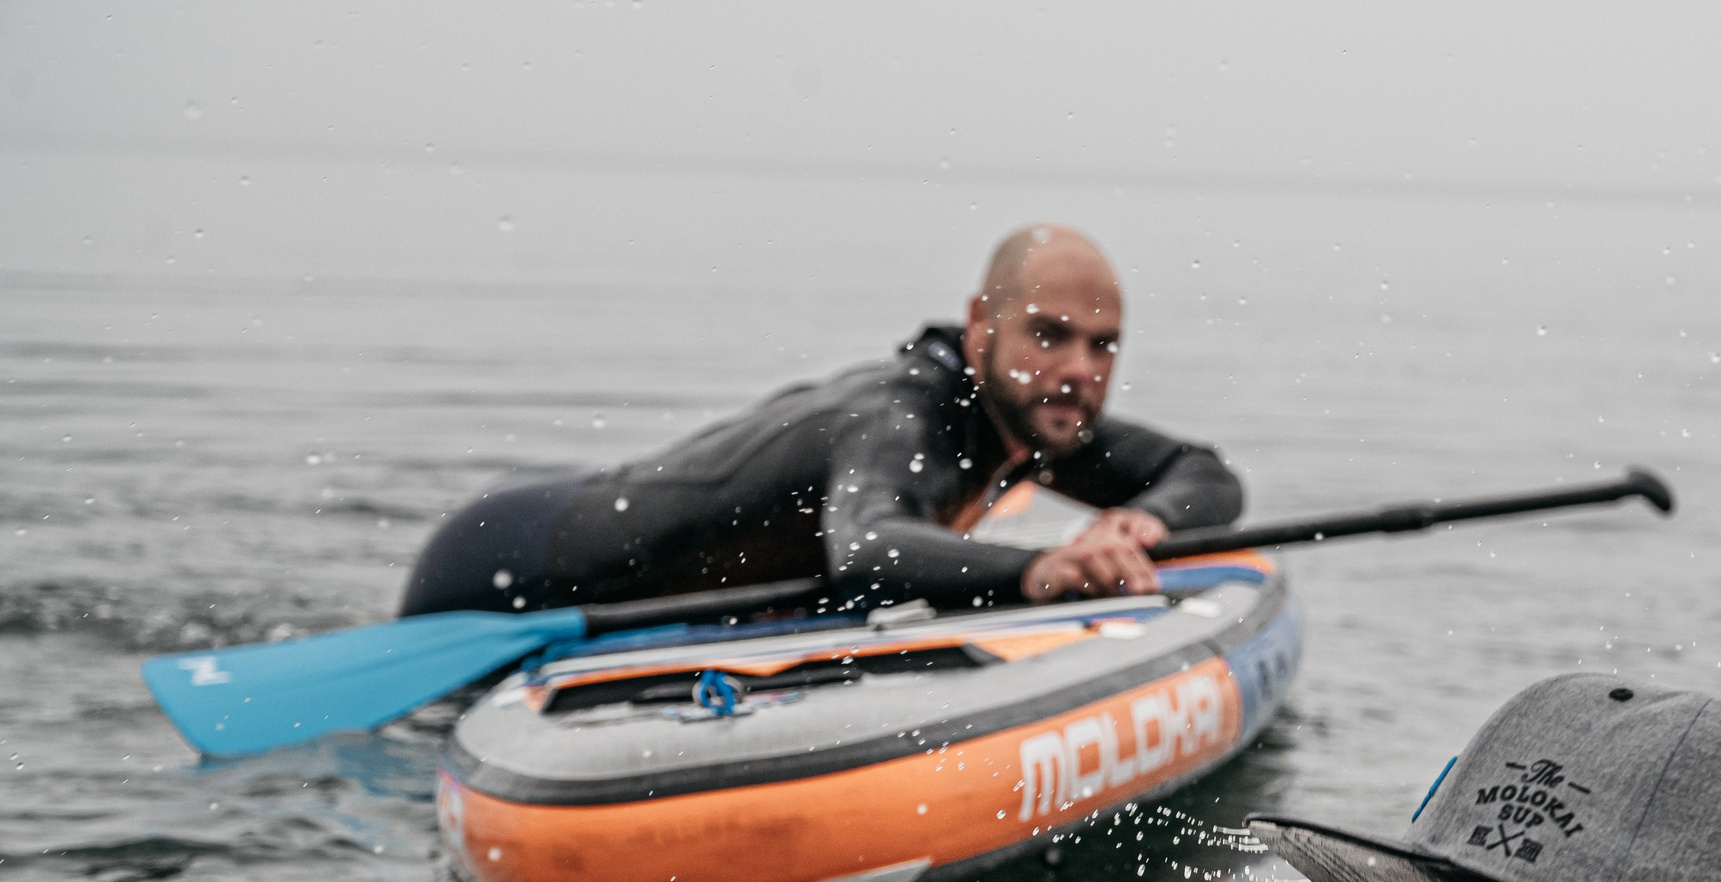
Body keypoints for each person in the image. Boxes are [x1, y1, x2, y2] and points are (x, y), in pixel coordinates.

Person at [397, 225, 1242, 618]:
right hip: (506, 560)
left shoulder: (1036, 419)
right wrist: (1040, 571)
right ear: (982, 327)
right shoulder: (900, 420)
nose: (1079, 369)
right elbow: (867, 547)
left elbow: (1207, 472)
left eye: (1103, 346)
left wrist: (1144, 519)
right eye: (1050, 335)